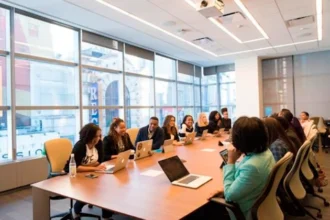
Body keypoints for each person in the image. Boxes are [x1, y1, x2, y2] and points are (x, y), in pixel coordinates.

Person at [208, 117, 275, 219]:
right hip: (262, 204)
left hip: (247, 211)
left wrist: (230, 162)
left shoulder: (252, 166)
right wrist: (225, 189)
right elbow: (245, 178)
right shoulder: (265, 153)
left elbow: (230, 196)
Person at [64, 123, 113, 220]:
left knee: (107, 188)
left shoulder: (99, 144)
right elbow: (74, 167)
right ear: (90, 136)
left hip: (90, 173)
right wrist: (94, 167)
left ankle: (106, 216)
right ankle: (76, 210)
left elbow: (100, 161)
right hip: (76, 175)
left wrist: (89, 167)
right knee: (89, 190)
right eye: (97, 136)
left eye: (100, 135)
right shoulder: (80, 145)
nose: (99, 138)